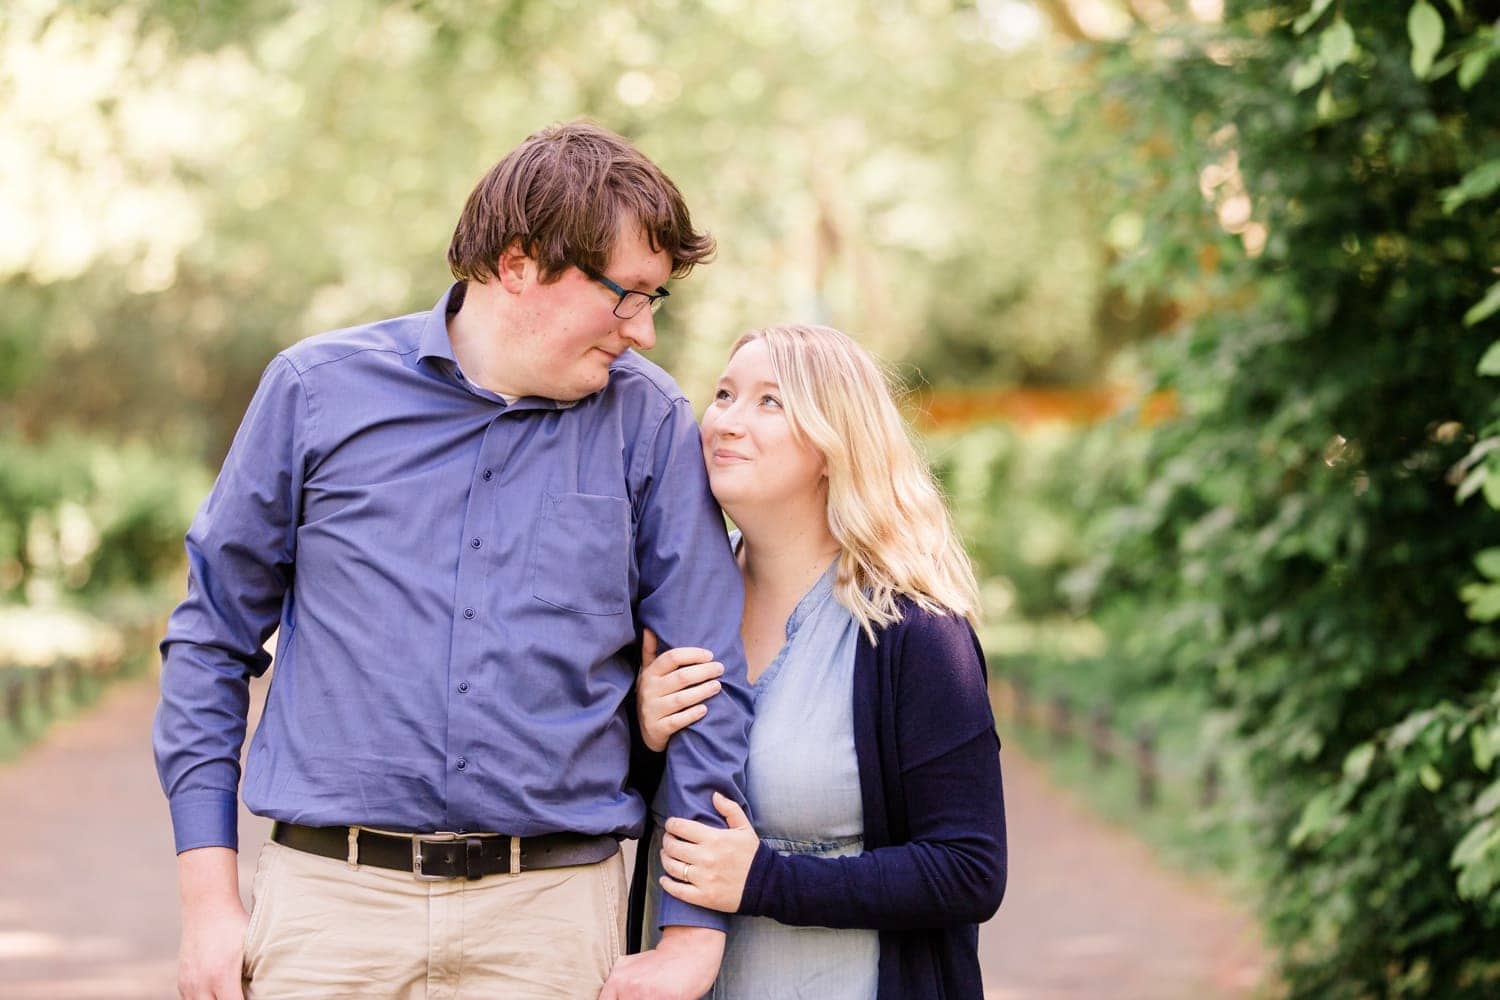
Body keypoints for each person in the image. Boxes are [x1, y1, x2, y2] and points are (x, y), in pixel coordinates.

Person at [153, 121, 754, 1000]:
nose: (643, 332)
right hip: (331, 917)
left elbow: (708, 682)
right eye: (627, 295)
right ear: (520, 264)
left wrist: (692, 938)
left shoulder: (651, 425)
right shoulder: (315, 394)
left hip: (554, 923)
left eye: (653, 301)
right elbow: (209, 642)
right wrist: (208, 903)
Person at [631, 324, 1008, 999]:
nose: (726, 421)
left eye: (769, 402)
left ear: (834, 447)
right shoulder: (664, 612)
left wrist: (766, 881)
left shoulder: (915, 633)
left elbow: (968, 868)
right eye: (723, 394)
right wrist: (643, 738)